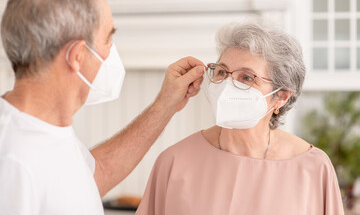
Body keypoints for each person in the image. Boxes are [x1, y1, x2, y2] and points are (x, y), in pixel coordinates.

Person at [0, 0, 205, 214]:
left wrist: (165, 104)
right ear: (77, 56)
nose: (111, 51)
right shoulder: (12, 159)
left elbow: (95, 175)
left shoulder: (48, 128)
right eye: (108, 38)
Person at [136, 23, 345, 215]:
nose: (227, 85)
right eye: (222, 72)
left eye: (247, 77)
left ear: (280, 97)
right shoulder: (173, 162)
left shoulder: (314, 169)